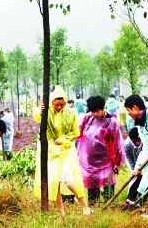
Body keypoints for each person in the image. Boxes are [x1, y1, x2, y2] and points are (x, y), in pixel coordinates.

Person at [33, 86, 90, 216]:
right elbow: (36, 117)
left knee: (69, 180)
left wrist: (64, 139)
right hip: (49, 152)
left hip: (65, 151)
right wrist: (39, 110)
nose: (59, 107)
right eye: (56, 104)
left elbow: (76, 132)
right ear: (52, 102)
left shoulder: (70, 113)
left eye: (62, 104)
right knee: (54, 182)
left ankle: (84, 206)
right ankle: (60, 212)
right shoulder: (46, 111)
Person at [78, 96, 125, 205]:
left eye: (97, 111)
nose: (94, 114)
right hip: (89, 161)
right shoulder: (87, 118)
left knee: (108, 183)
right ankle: (93, 205)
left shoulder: (111, 122)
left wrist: (117, 163)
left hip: (105, 160)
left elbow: (117, 144)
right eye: (92, 111)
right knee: (92, 183)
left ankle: (108, 204)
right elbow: (77, 131)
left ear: (103, 108)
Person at [124, 127, 143, 205]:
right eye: (134, 141)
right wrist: (135, 170)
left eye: (139, 140)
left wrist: (142, 170)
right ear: (131, 139)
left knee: (146, 180)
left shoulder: (145, 140)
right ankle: (131, 198)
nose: (137, 143)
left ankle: (141, 201)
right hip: (136, 165)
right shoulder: (126, 145)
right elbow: (130, 161)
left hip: (147, 164)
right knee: (136, 178)